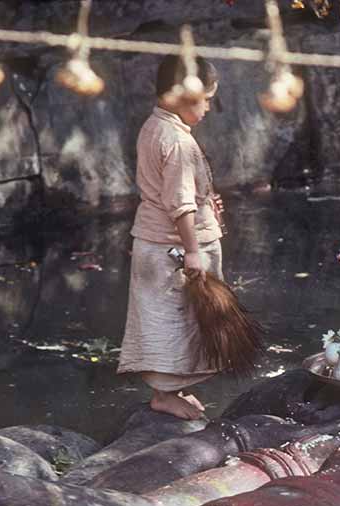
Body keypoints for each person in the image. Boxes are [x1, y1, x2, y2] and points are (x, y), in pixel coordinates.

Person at [117, 56, 224, 420]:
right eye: (205, 98)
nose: (208, 107)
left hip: (157, 241)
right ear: (182, 95)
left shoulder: (154, 126)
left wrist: (207, 198)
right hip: (171, 246)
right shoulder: (176, 140)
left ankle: (173, 390)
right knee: (173, 318)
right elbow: (179, 203)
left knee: (181, 317)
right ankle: (163, 395)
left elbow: (180, 191)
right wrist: (193, 251)